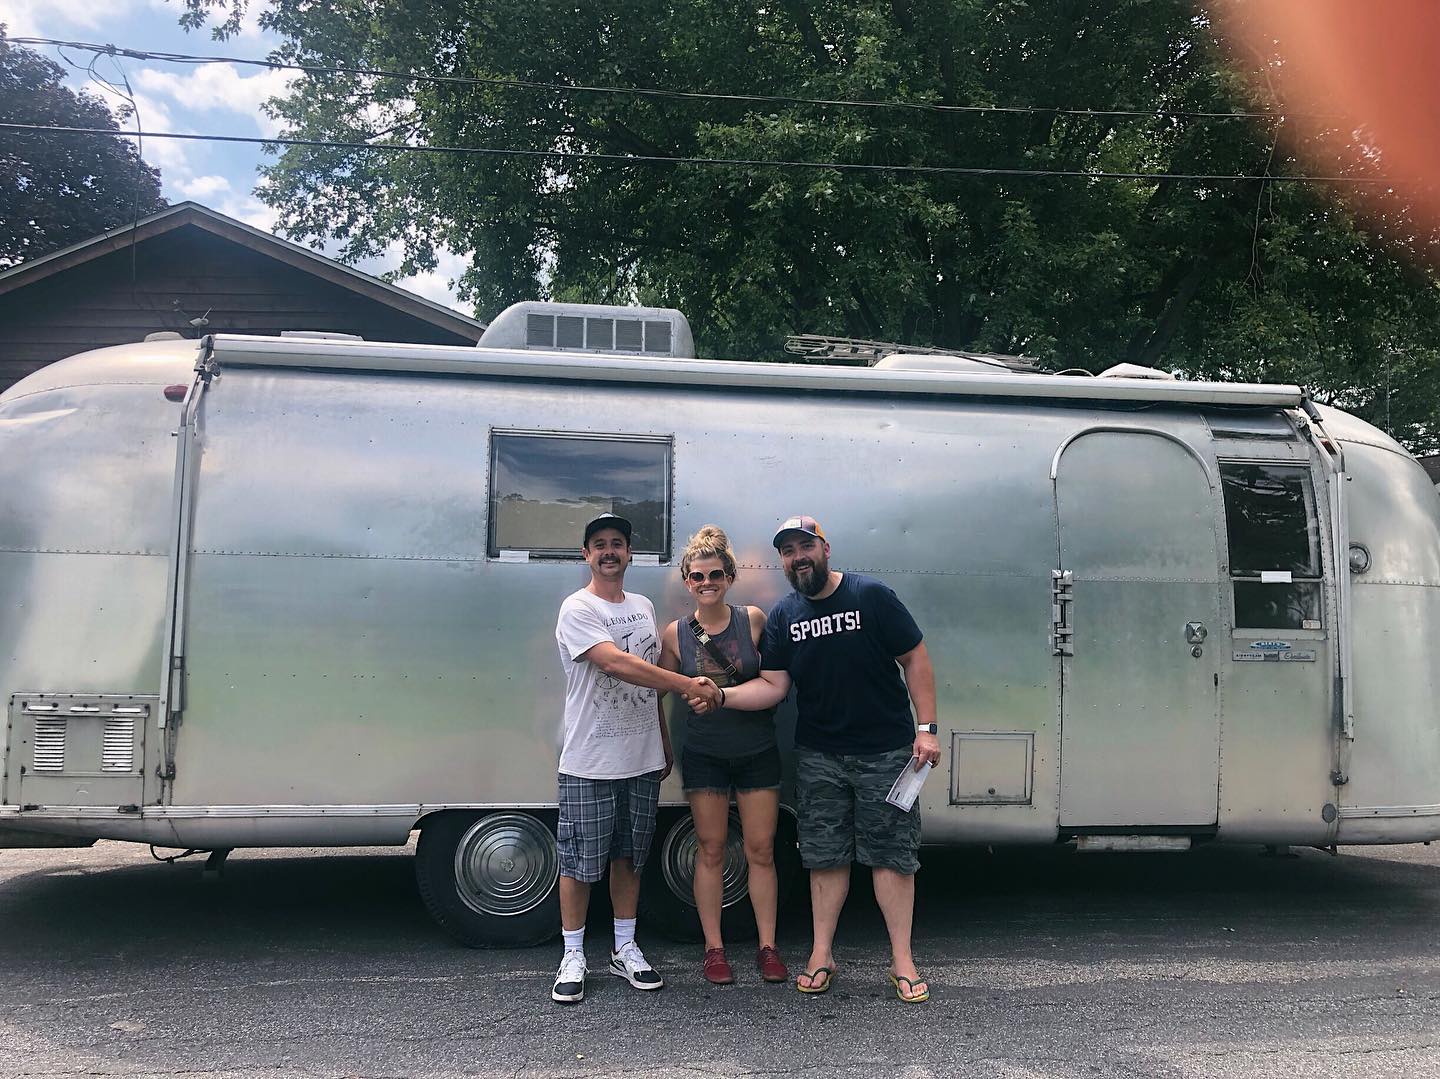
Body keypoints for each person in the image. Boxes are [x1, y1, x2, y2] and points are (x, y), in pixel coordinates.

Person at [709, 515, 942, 1003]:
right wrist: (722, 696)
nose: (798, 557)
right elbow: (774, 685)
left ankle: (902, 959)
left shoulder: (869, 596)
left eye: (805, 546)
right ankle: (821, 954)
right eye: (788, 551)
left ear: (825, 548)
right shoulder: (784, 616)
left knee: (892, 856)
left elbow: (914, 657)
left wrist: (926, 729)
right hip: (819, 755)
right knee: (824, 856)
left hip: (885, 752)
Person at [551, 512, 722, 1005]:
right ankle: (573, 954)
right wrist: (688, 685)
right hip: (590, 759)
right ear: (586, 554)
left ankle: (624, 948)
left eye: (618, 543)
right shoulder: (577, 607)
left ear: (629, 553)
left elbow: (647, 686)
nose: (609, 551)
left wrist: (661, 739)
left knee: (630, 857)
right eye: (600, 544)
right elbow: (617, 663)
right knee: (579, 863)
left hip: (641, 758)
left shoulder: (643, 606)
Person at [658, 525, 789, 986]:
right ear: (687, 581)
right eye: (697, 576)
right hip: (705, 753)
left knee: (760, 850)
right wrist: (662, 745)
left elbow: (775, 680)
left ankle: (768, 946)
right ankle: (713, 949)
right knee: (711, 849)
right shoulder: (674, 634)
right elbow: (659, 693)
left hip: (757, 750)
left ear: (730, 577)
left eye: (715, 574)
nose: (706, 583)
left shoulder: (752, 620)